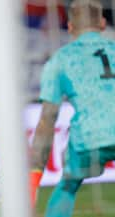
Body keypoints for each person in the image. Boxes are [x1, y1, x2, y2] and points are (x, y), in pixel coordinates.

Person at [37, 0, 115, 216]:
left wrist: (35, 171)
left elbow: (47, 119)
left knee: (68, 185)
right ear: (102, 23)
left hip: (90, 136)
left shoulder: (61, 60)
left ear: (70, 27)